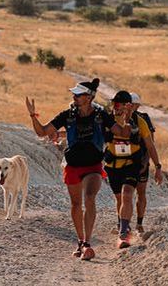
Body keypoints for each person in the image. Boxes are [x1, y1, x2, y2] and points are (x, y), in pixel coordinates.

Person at [25, 78, 132, 261]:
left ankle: (87, 243)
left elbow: (122, 133)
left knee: (90, 198)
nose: (74, 96)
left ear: (89, 97)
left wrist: (126, 119)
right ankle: (81, 241)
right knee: (75, 205)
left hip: (93, 167)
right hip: (73, 166)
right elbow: (42, 132)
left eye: (78, 94)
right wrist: (33, 116)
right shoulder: (67, 115)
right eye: (74, 94)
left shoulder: (101, 116)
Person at [105, 90, 163, 249]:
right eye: (114, 103)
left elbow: (150, 145)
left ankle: (124, 232)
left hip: (132, 164)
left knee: (127, 194)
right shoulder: (107, 119)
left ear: (128, 105)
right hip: (112, 165)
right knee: (120, 198)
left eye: (118, 104)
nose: (115, 107)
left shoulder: (140, 121)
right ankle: (123, 224)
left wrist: (158, 167)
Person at [130, 92, 157, 233]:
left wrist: (146, 162)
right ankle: (122, 224)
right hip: (125, 161)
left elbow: (150, 143)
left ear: (137, 105)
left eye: (133, 104)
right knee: (125, 194)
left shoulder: (144, 118)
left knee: (141, 192)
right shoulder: (119, 117)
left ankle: (139, 223)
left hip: (141, 160)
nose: (130, 106)